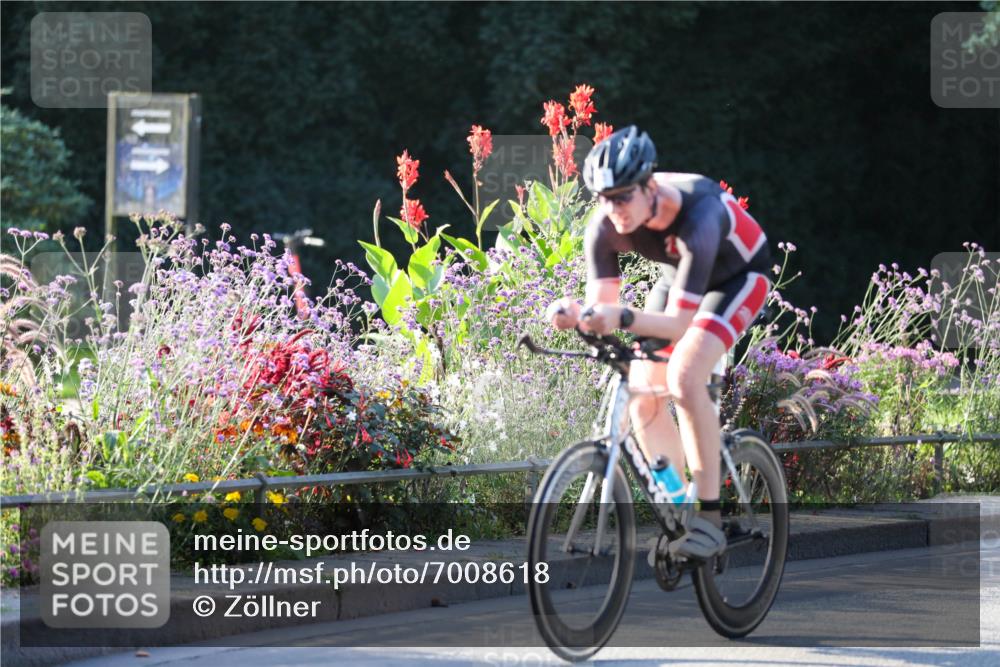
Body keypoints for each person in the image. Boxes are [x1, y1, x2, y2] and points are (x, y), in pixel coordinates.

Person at [546, 125, 772, 560]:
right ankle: (681, 500)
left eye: (623, 197)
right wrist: (578, 315)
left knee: (685, 375)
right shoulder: (605, 225)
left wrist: (624, 317)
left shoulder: (699, 214)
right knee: (641, 392)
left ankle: (709, 518)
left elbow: (677, 325)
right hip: (680, 278)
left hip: (738, 278)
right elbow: (603, 307)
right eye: (603, 198)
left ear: (650, 186)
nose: (613, 210)